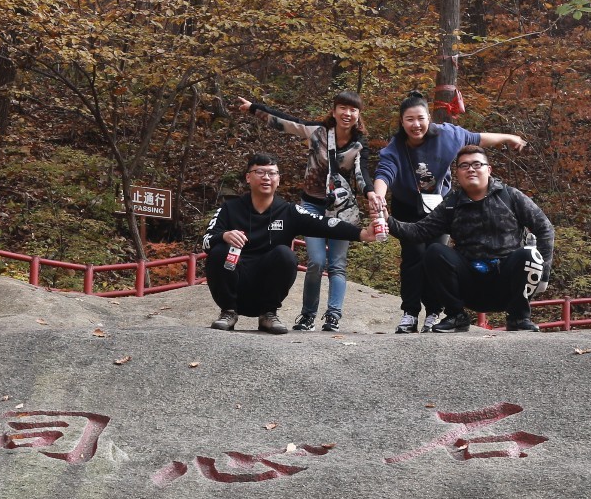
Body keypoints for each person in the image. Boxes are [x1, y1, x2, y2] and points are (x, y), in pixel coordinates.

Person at [367, 93, 528, 332]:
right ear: (401, 122)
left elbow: (479, 139)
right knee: (413, 258)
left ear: (429, 118)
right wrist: (378, 197)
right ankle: (410, 313)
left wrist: (509, 137)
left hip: (438, 207)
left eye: (420, 118)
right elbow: (385, 173)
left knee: (434, 257)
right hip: (406, 206)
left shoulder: (448, 135)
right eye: (409, 119)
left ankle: (434, 311)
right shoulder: (395, 148)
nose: (416, 125)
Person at [232, 91, 371, 332]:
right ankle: (308, 315)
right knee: (316, 262)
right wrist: (254, 108)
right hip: (311, 205)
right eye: (343, 108)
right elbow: (287, 122)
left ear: (358, 114)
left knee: (337, 264)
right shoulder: (317, 132)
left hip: (340, 209)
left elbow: (362, 173)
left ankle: (333, 316)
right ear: (334, 110)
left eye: (353, 110)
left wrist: (370, 193)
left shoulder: (360, 144)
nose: (347, 114)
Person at [202, 153, 376, 333]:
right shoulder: (229, 209)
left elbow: (325, 225)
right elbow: (206, 242)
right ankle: (228, 312)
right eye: (260, 172)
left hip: (266, 289)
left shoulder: (288, 211)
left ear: (278, 179)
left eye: (272, 173)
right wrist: (223, 236)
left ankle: (268, 314)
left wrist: (362, 233)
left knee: (285, 254)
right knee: (219, 250)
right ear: (248, 177)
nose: (266, 178)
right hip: (235, 283)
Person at [388, 145, 554, 332]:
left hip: (506, 282)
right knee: (435, 252)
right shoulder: (451, 204)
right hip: (469, 284)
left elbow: (545, 229)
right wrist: (386, 221)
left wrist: (543, 276)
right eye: (464, 166)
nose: (471, 169)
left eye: (477, 164)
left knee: (528, 254)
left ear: (488, 169)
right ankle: (455, 316)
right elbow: (419, 231)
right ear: (457, 173)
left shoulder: (510, 196)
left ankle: (519, 317)